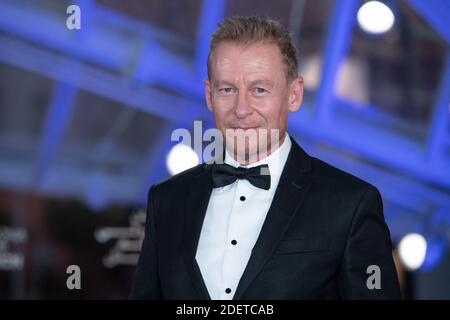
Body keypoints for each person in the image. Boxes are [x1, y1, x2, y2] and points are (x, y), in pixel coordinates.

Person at [131, 16, 401, 300]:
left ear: (294, 95)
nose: (242, 108)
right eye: (227, 89)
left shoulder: (351, 204)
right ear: (209, 95)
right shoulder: (166, 201)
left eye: (259, 89)